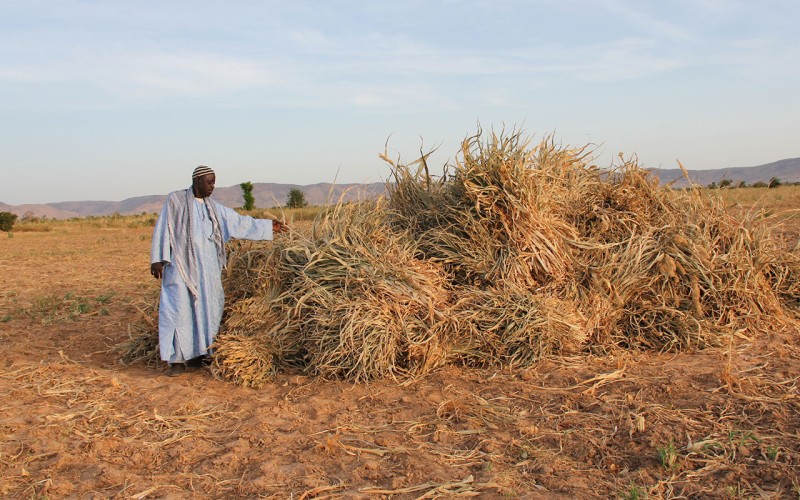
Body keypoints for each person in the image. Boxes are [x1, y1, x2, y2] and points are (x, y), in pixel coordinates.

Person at [150, 165, 286, 376]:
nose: (213, 186)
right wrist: (158, 258)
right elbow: (163, 227)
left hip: (208, 269)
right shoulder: (175, 201)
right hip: (180, 268)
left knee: (207, 309)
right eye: (209, 182)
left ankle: (199, 354)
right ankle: (176, 360)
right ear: (197, 182)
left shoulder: (214, 208)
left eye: (214, 182)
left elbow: (239, 223)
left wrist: (269, 226)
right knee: (178, 311)